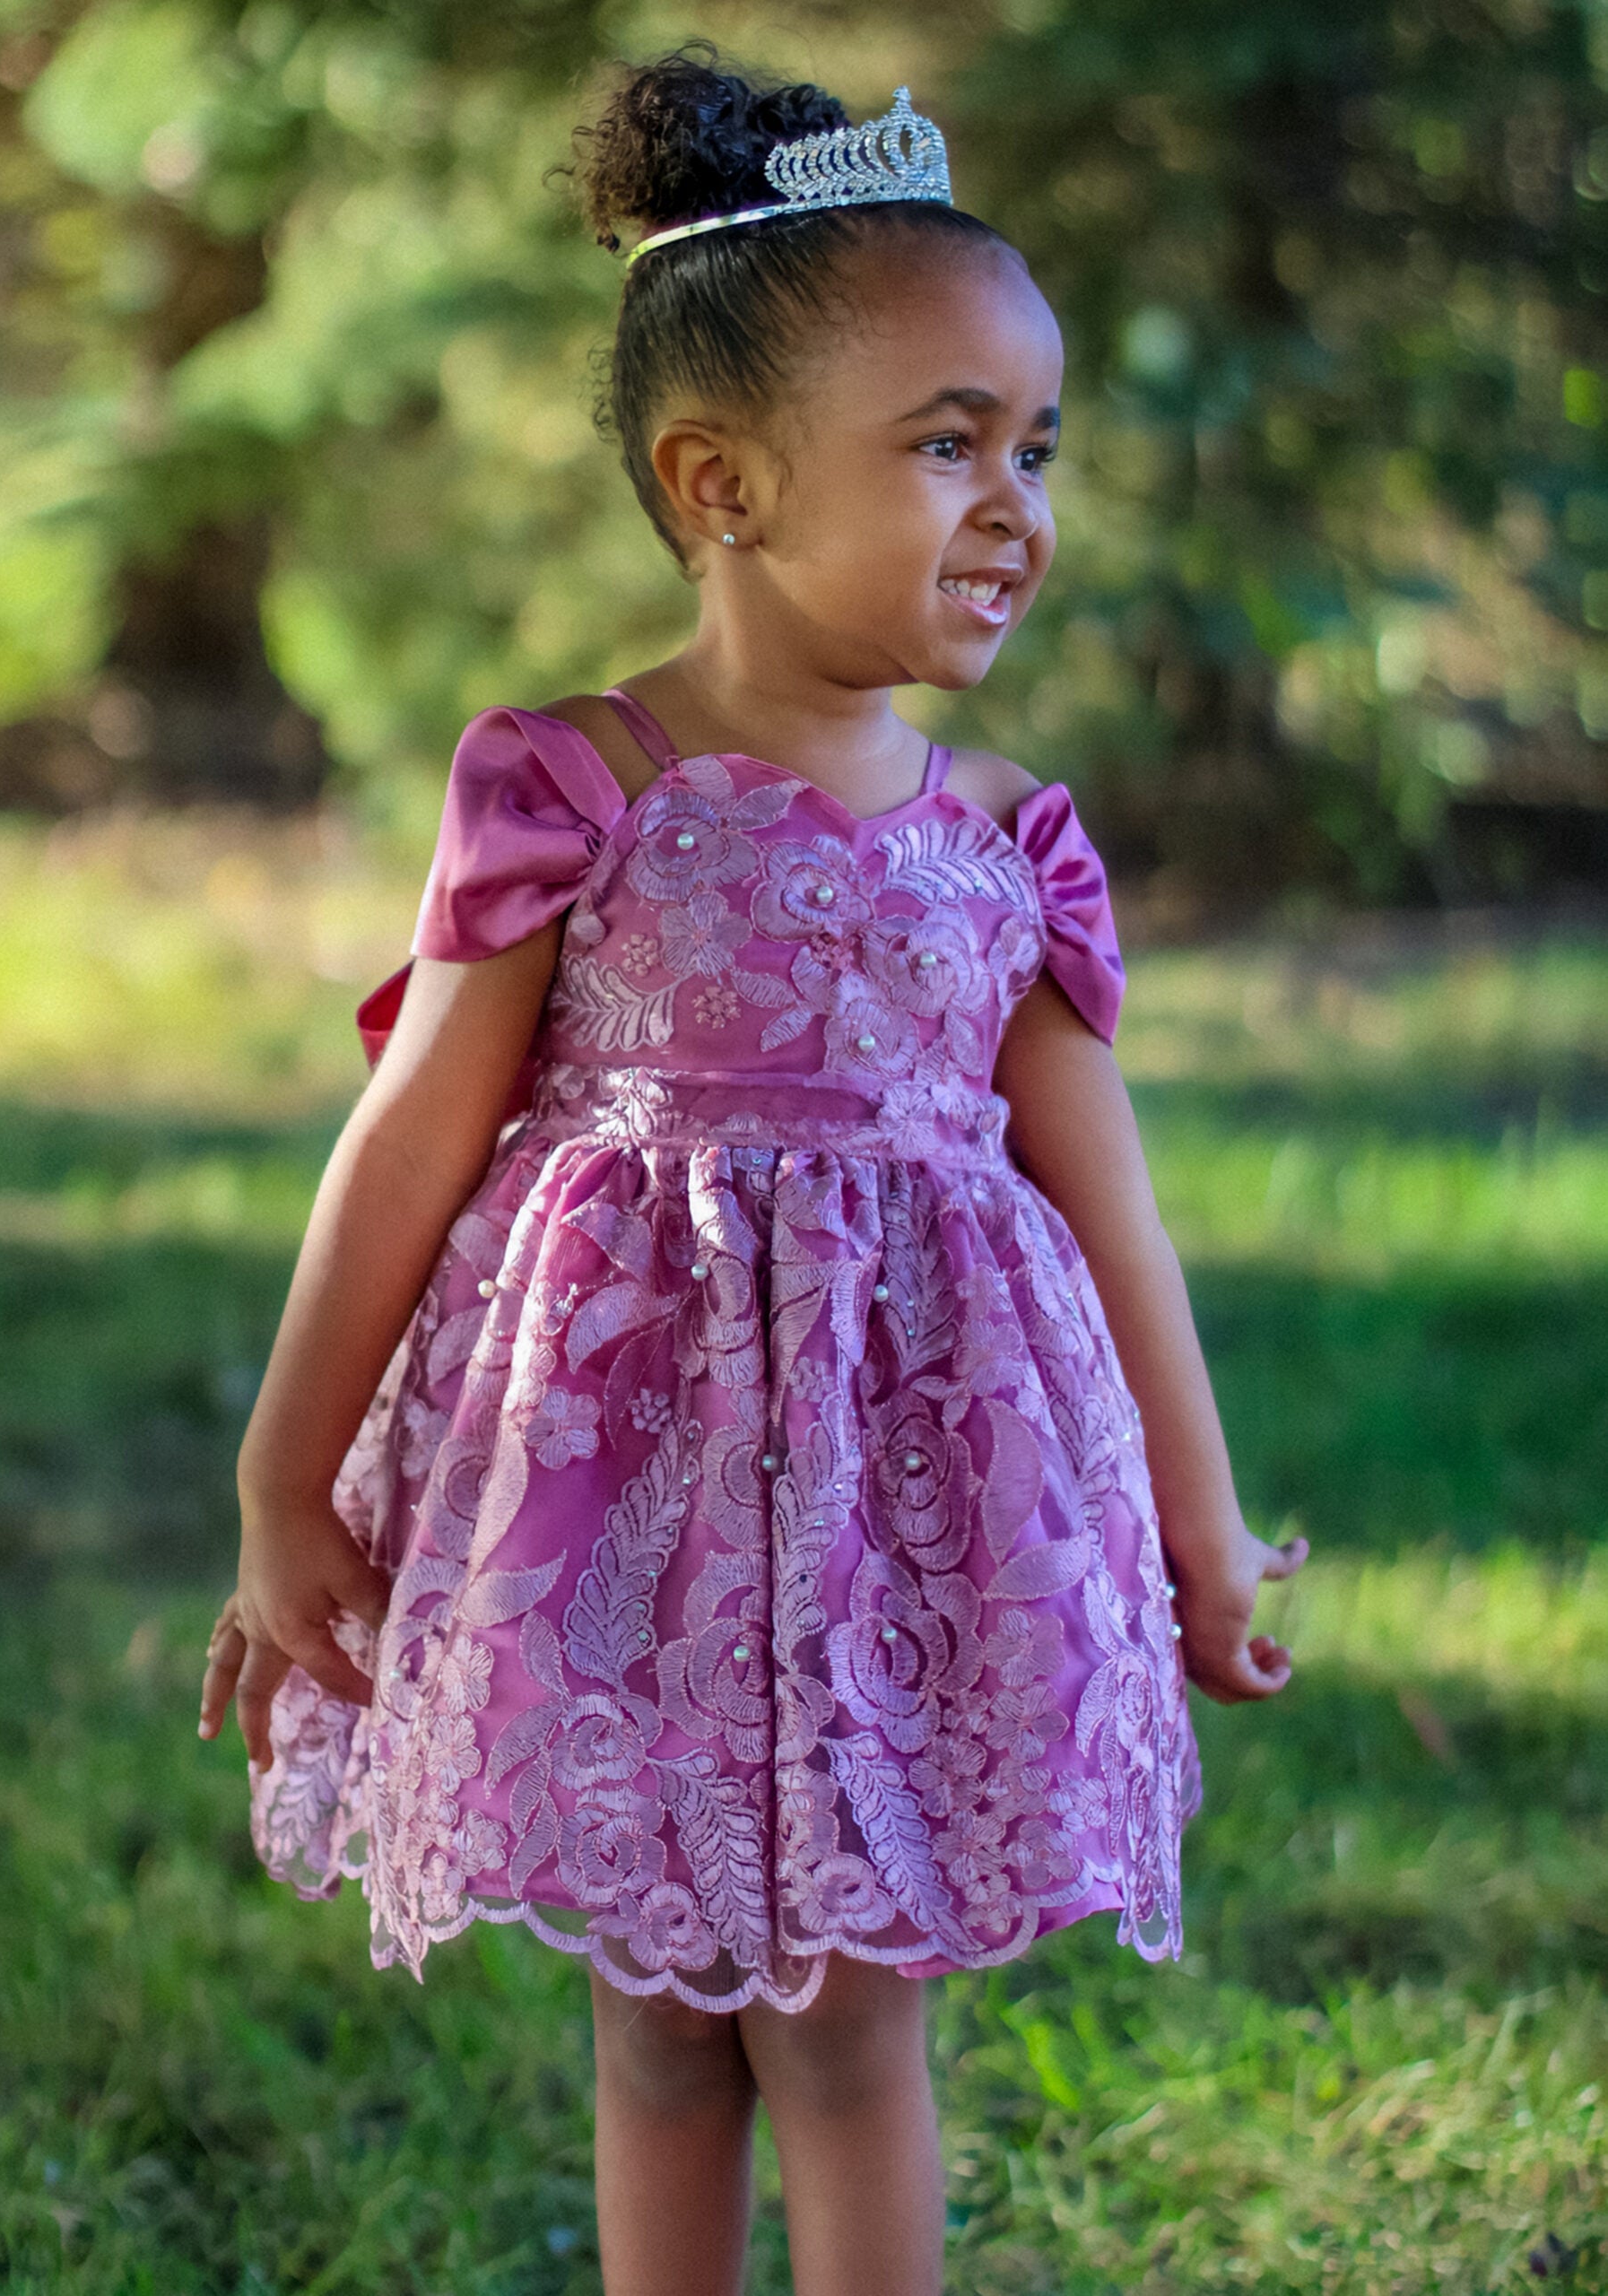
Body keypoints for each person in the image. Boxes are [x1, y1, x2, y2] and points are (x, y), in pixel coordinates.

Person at [196, 46, 1307, 2295]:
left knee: (845, 2024)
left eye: (1036, 445)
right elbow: (409, 1132)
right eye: (945, 443)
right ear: (720, 482)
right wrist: (284, 1476)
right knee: (662, 2037)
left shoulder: (1010, 848)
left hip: (899, 1524)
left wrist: (1192, 1529)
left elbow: (1115, 1212)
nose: (1015, 500)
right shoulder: (573, 786)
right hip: (632, 1520)